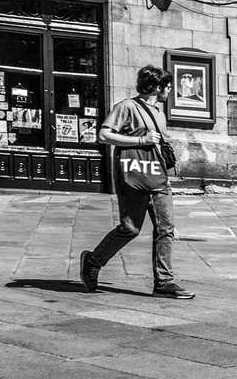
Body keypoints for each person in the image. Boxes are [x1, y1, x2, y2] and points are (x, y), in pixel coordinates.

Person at [78, 66, 193, 299]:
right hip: (133, 174)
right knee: (130, 228)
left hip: (158, 175)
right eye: (168, 87)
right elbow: (104, 135)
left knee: (166, 229)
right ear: (157, 87)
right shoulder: (126, 107)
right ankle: (93, 260)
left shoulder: (159, 112)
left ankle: (164, 281)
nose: (169, 92)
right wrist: (141, 140)